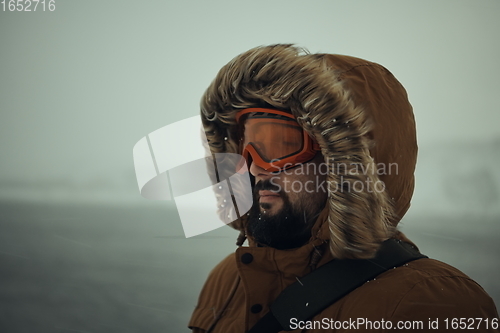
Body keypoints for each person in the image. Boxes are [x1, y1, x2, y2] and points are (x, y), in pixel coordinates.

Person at [188, 44, 499, 332]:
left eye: (277, 142)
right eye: (244, 144)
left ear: (344, 166)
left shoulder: (431, 304)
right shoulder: (228, 279)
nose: (253, 167)